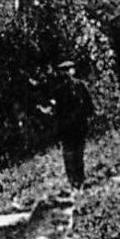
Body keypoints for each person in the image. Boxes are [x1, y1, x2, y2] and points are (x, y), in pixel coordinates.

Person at [47, 59, 95, 189]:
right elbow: (56, 111)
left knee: (78, 155)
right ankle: (74, 182)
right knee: (69, 155)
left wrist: (86, 119)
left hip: (78, 126)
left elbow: (89, 106)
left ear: (72, 71)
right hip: (67, 128)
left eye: (68, 71)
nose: (66, 74)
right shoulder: (58, 90)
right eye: (64, 72)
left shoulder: (80, 86)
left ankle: (80, 181)